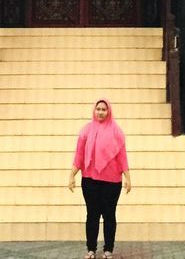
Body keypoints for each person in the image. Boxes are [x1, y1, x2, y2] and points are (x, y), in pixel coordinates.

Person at [68, 98, 131, 259]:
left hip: (112, 182)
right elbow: (79, 155)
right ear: (94, 111)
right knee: (92, 215)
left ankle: (108, 249)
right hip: (90, 180)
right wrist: (72, 175)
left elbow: (122, 157)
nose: (101, 112)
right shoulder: (86, 131)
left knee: (109, 215)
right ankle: (91, 250)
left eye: (104, 109)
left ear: (108, 111)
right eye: (98, 109)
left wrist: (128, 178)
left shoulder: (117, 132)